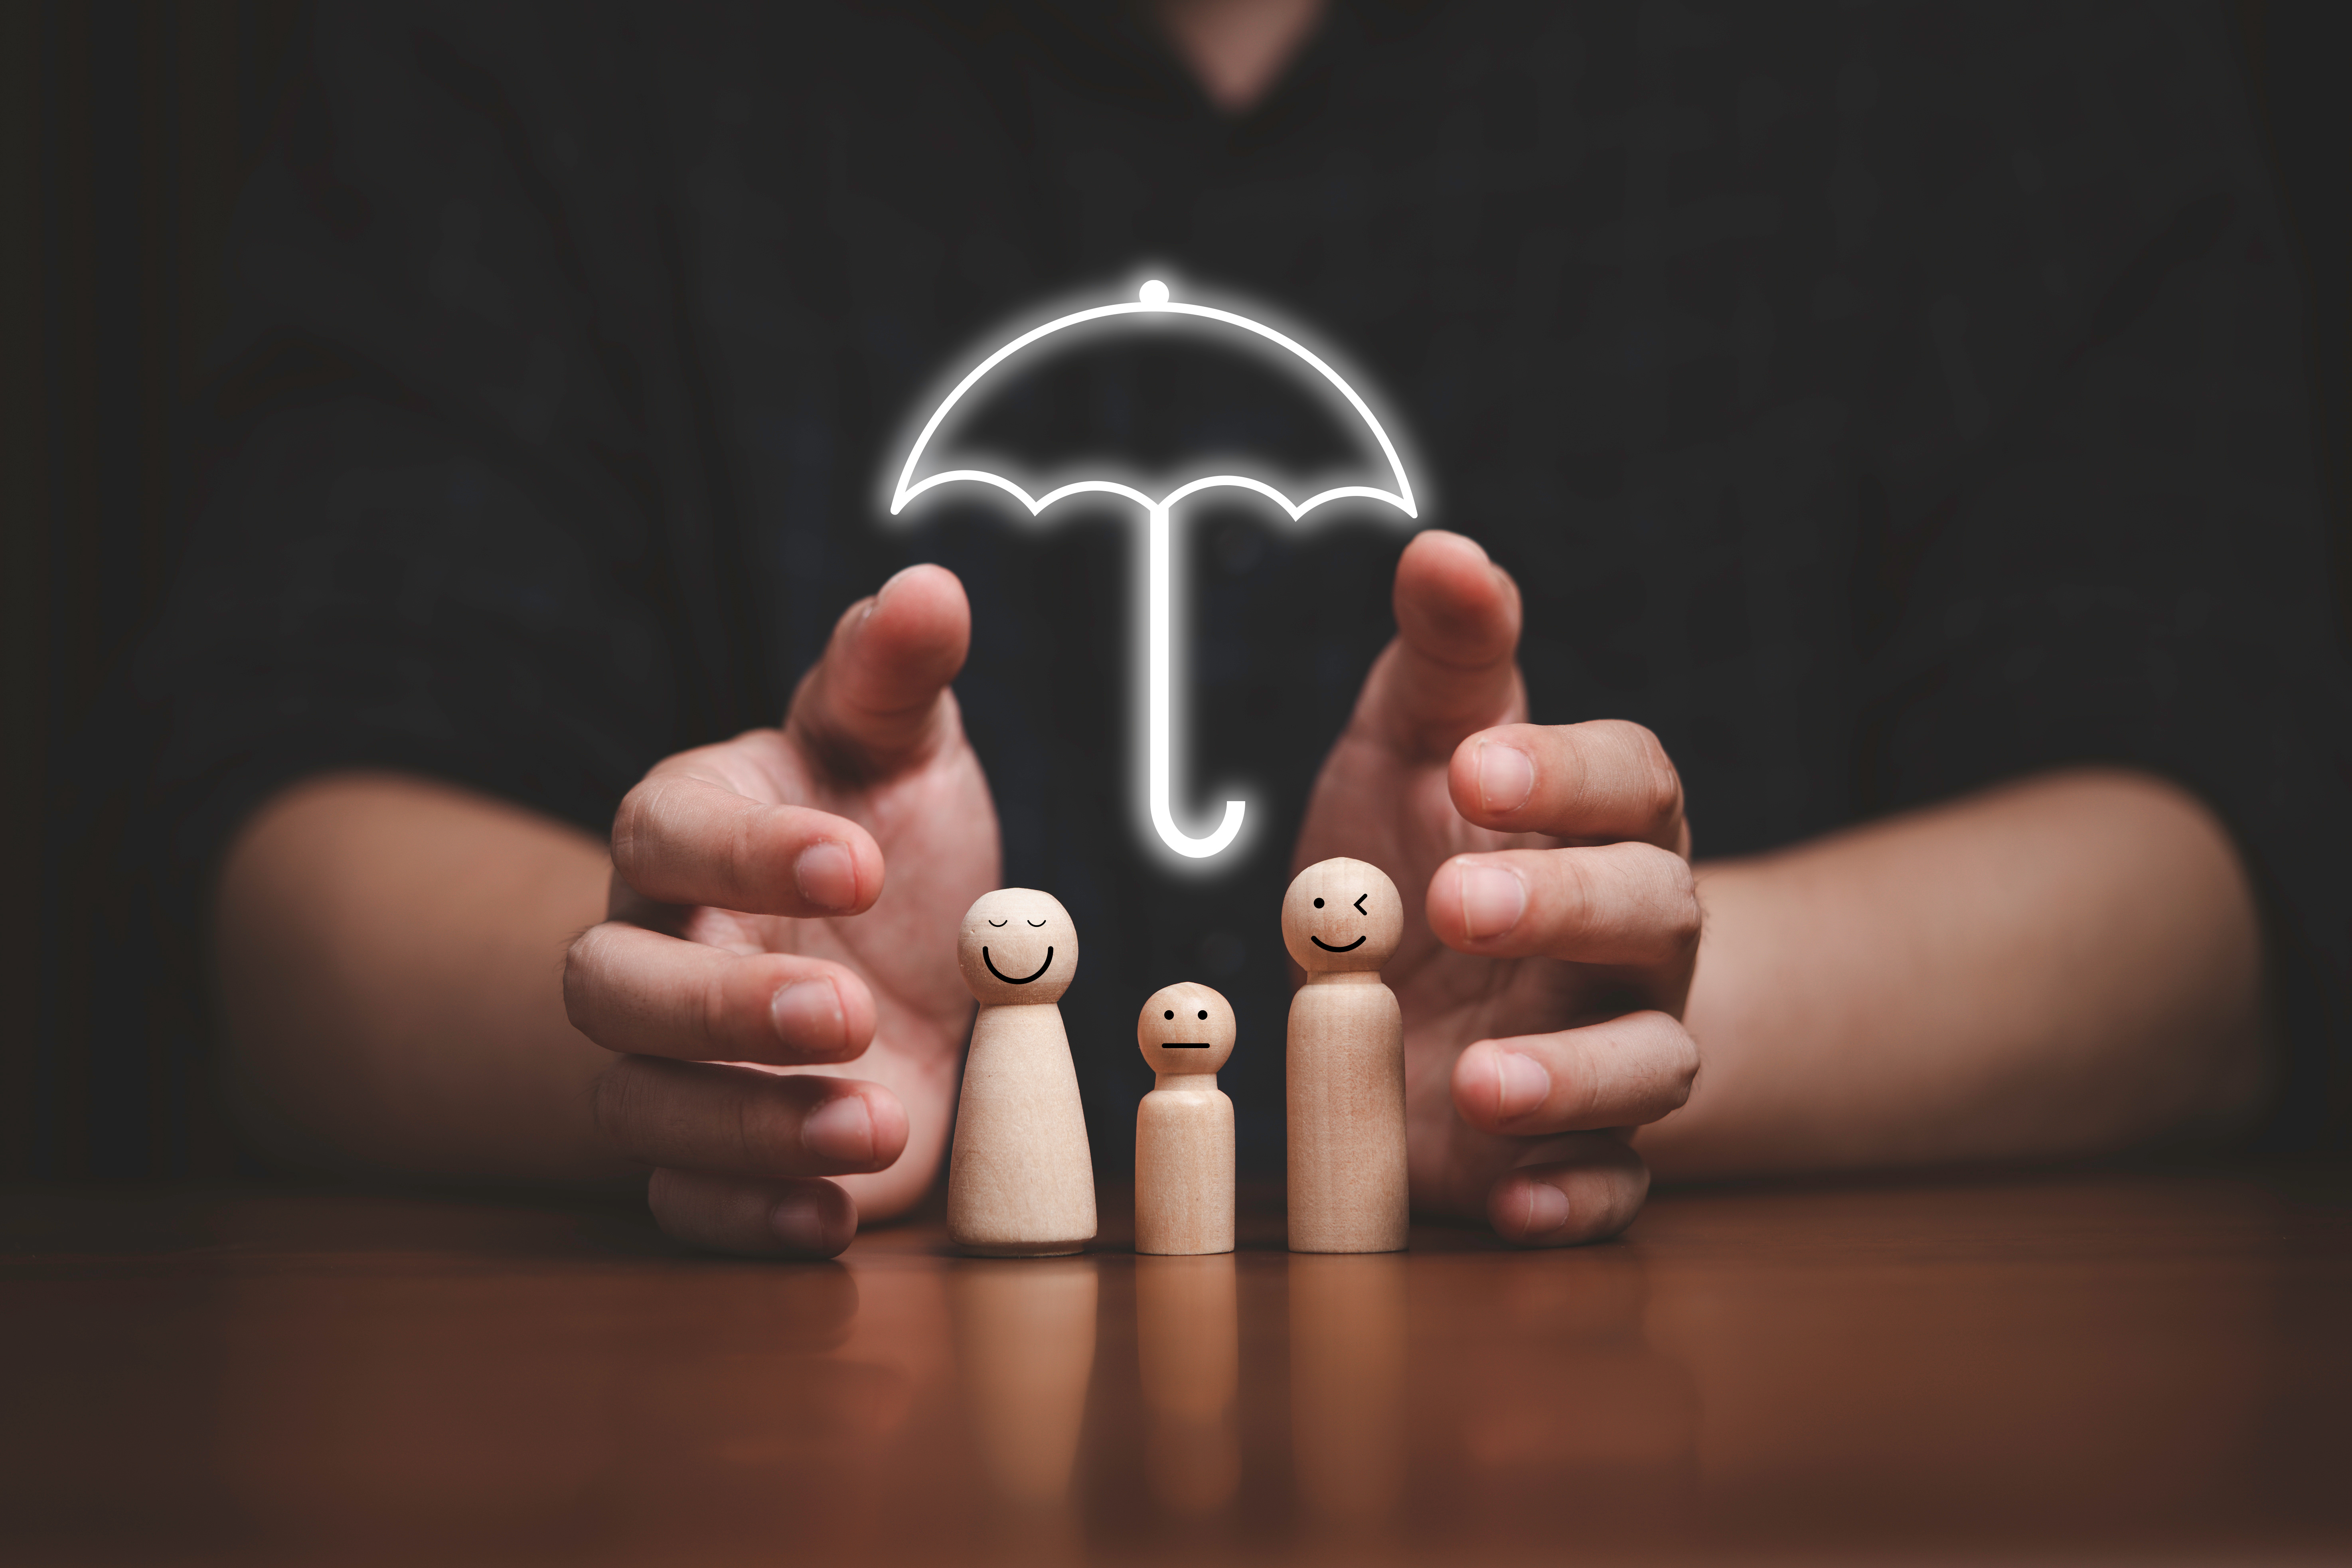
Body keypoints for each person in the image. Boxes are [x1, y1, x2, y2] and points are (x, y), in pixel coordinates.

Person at [152, 0, 2347, 1256]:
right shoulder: (514, 60)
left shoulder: (1991, 59)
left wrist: (1580, 1025)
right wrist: (736, 1023)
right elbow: (270, 868)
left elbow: (2220, 881)